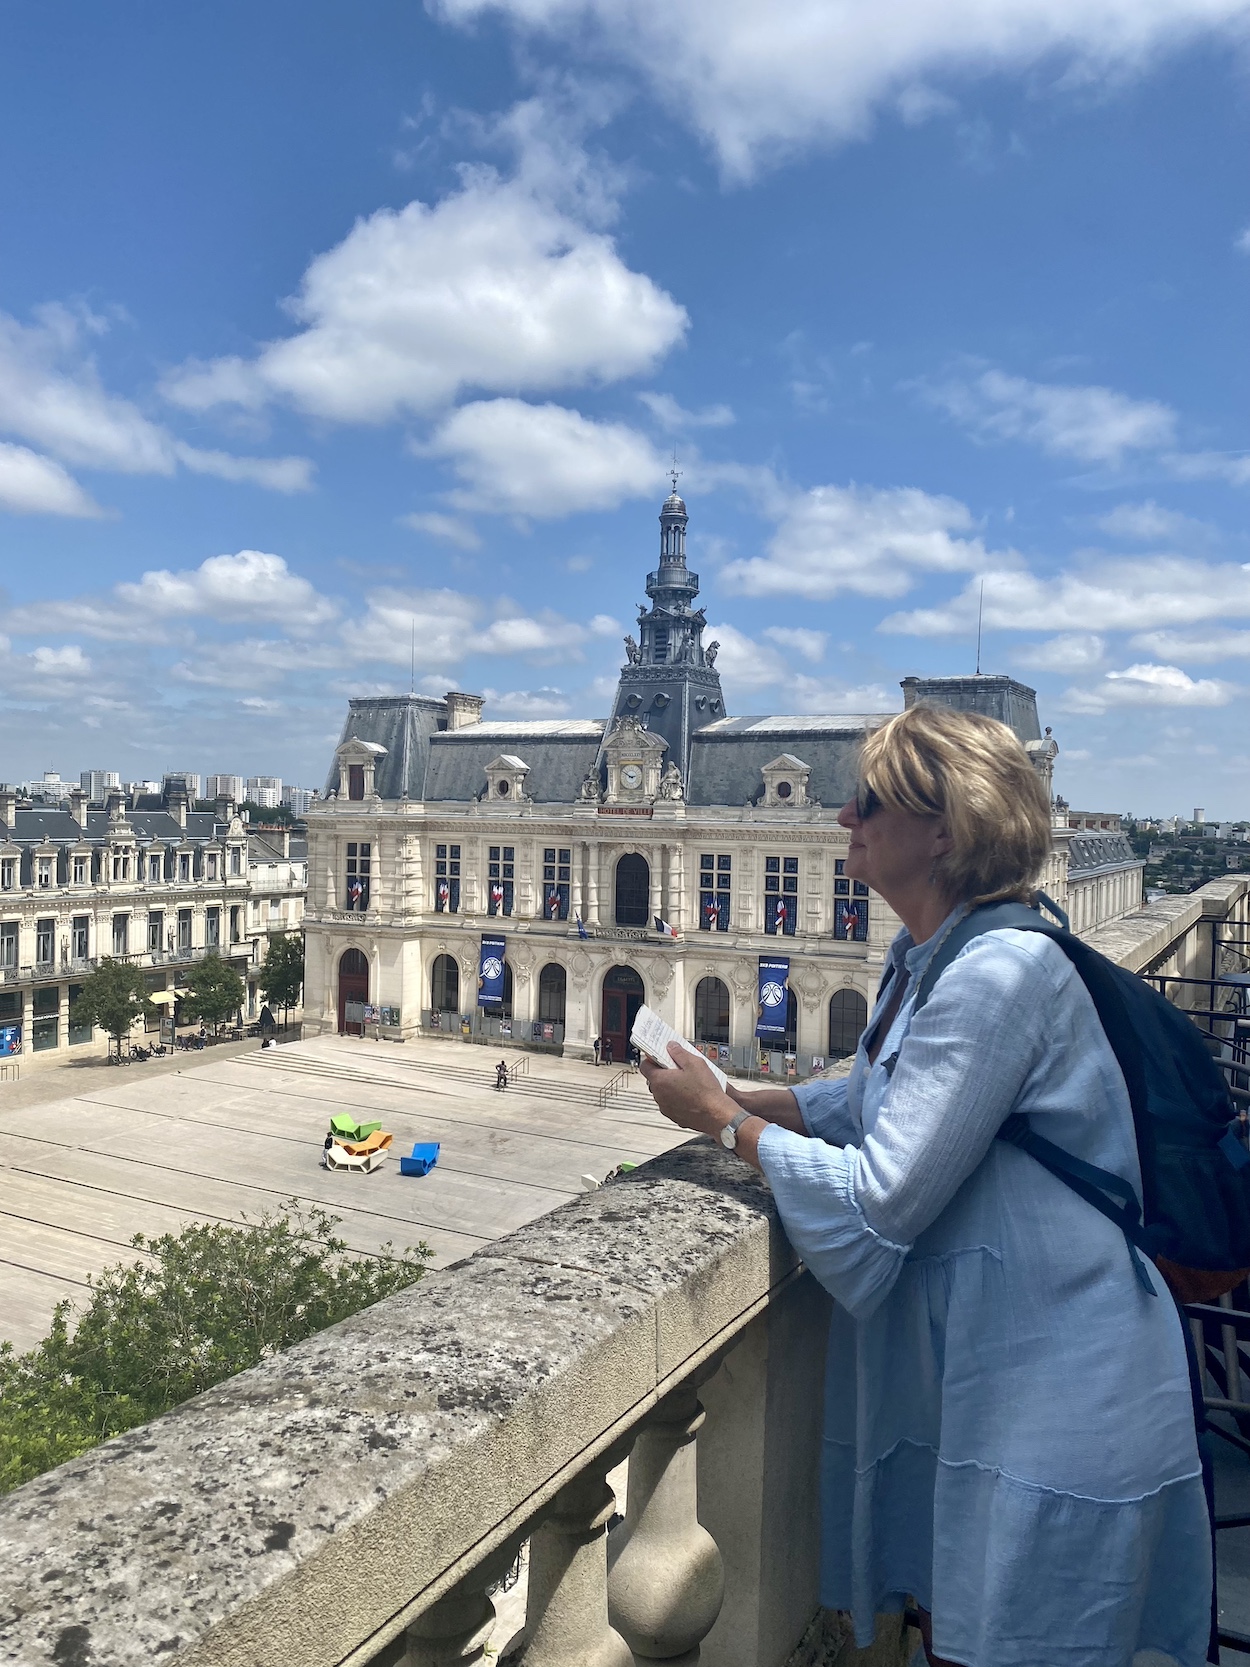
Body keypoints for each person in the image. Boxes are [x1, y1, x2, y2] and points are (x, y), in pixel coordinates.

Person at [640, 704, 1207, 1667]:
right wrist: (755, 1094)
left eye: (866, 802)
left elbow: (874, 1211)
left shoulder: (995, 975)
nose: (840, 820)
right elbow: (881, 1100)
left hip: (1061, 1401)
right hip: (1019, 1378)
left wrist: (723, 1125)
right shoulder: (933, 958)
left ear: (947, 827)